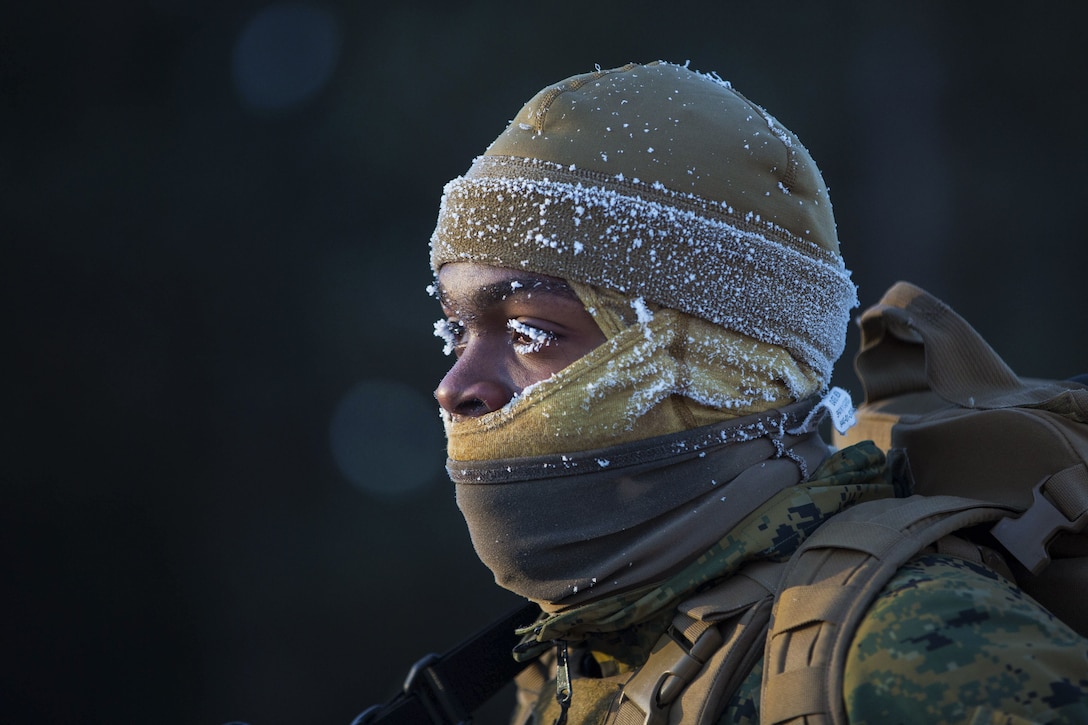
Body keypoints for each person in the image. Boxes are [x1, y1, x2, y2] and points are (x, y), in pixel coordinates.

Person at [425, 61, 1088, 724]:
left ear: (727, 365)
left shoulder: (925, 656)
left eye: (531, 332)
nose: (454, 386)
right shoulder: (574, 658)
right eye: (457, 330)